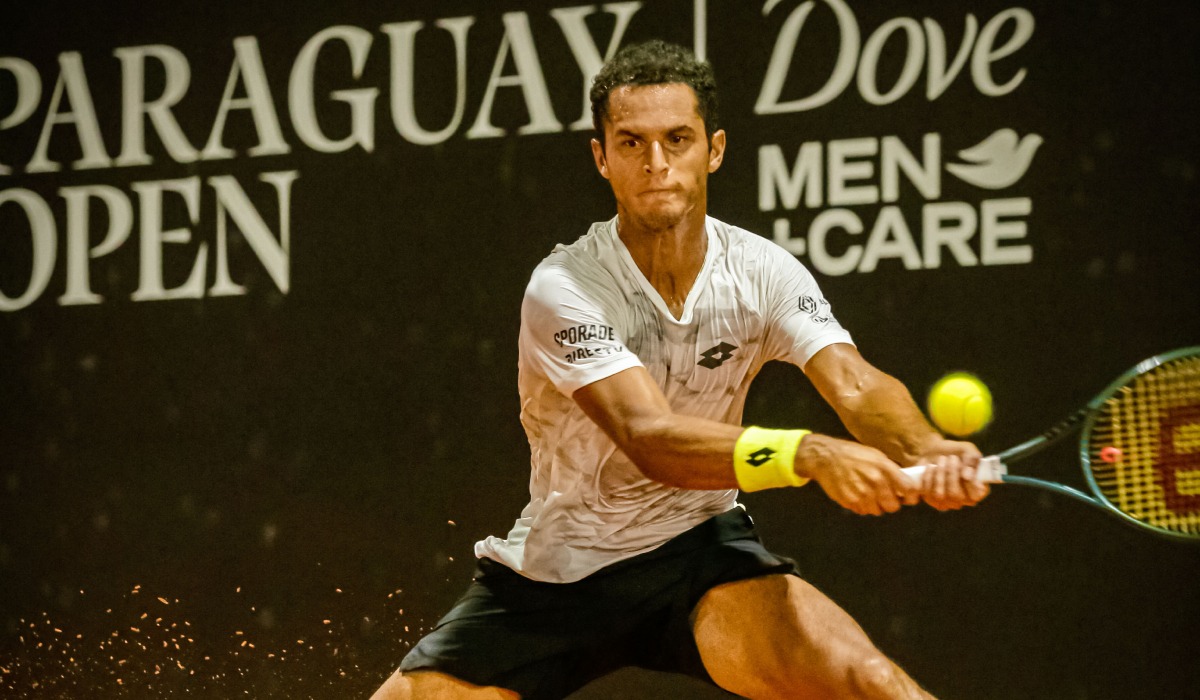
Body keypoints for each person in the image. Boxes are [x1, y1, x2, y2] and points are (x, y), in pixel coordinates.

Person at [371, 40, 988, 700]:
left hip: (697, 555)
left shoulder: (762, 271)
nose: (657, 164)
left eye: (678, 139)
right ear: (601, 157)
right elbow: (648, 438)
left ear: (713, 150)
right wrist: (806, 453)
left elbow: (855, 381)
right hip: (555, 576)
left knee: (871, 683)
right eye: (632, 143)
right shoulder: (564, 285)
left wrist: (927, 448)